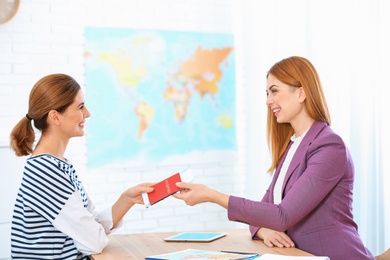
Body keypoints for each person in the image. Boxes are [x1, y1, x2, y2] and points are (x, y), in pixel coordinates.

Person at [173, 56, 375, 260]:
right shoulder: (293, 146)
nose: (268, 100)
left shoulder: (330, 147)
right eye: (267, 93)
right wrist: (264, 230)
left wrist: (213, 196)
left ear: (301, 93)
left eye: (275, 91)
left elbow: (282, 215)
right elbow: (263, 211)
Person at [9, 74, 154, 259]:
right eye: (80, 107)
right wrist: (94, 235)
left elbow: (90, 223)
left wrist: (127, 200)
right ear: (55, 117)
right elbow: (93, 241)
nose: (87, 113)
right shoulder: (46, 170)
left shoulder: (57, 164)